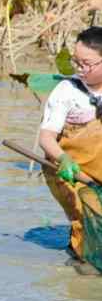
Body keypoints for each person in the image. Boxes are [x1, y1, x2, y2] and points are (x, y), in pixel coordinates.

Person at [39, 26, 102, 260]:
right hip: (69, 170)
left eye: (86, 63)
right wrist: (63, 159)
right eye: (76, 61)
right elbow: (46, 138)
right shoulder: (67, 91)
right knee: (86, 221)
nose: (79, 68)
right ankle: (81, 272)